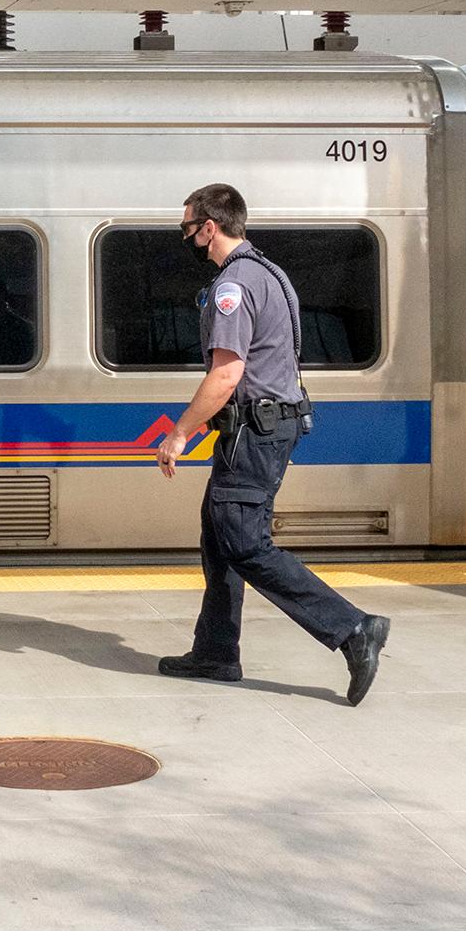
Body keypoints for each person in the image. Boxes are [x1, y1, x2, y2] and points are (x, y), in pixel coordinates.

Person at [153, 183, 391, 706]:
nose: (188, 239)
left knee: (243, 542)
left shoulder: (233, 285)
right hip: (266, 426)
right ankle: (216, 652)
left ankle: (353, 629)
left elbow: (227, 373)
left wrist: (179, 433)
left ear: (209, 228)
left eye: (188, 228)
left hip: (253, 431)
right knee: (219, 533)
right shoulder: (272, 273)